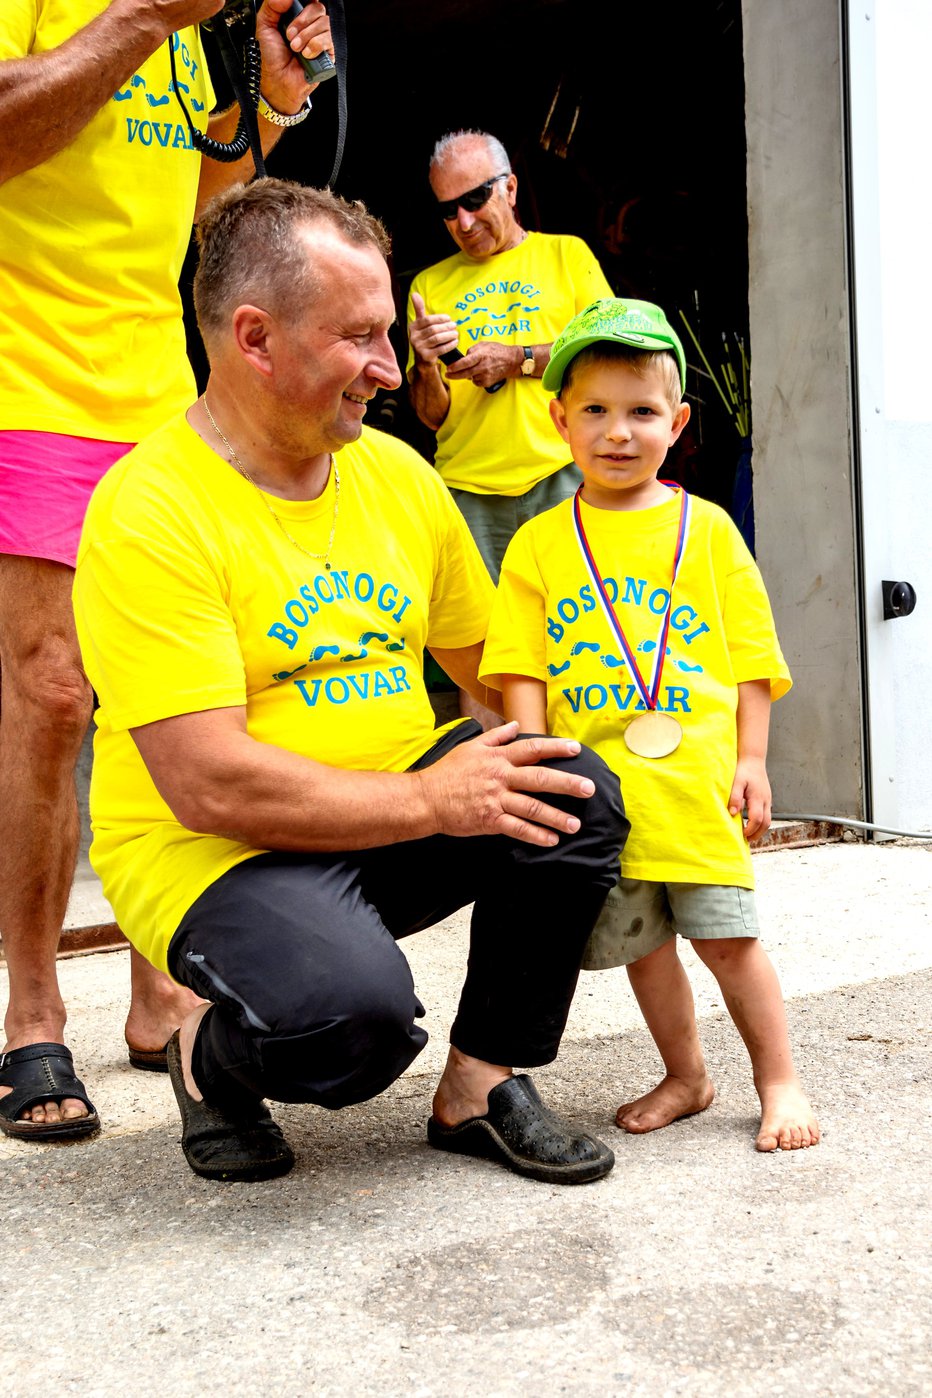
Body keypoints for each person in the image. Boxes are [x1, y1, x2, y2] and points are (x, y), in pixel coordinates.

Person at [71, 178, 627, 1185]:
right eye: (359, 337)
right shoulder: (149, 509)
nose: (388, 368)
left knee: (570, 788)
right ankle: (208, 1055)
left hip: (390, 815)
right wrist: (428, 798)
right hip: (217, 854)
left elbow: (495, 675)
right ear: (253, 339)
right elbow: (208, 784)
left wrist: (646, 771)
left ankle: (477, 1085)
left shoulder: (398, 478)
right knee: (351, 1025)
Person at [0, 0, 335, 1141]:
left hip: (151, 386)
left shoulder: (198, 28)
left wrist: (276, 91)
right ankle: (33, 1009)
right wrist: (145, 16)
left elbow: (200, 211)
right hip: (27, 373)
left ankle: (158, 995)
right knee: (54, 693)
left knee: (173, 689)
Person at [480, 298, 821, 1153]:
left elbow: (752, 656)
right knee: (645, 948)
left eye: (640, 412)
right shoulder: (539, 544)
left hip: (698, 788)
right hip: (605, 801)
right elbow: (519, 665)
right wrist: (533, 763)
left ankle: (778, 1081)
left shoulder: (706, 531)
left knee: (730, 943)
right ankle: (687, 1074)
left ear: (678, 421)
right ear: (559, 420)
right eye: (594, 410)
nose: (618, 432)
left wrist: (752, 759)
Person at [406, 129, 612, 723]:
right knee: (483, 648)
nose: (464, 222)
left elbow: (604, 354)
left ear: (511, 188)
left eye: (475, 201)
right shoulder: (429, 285)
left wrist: (517, 358)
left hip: (562, 474)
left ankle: (587, 775)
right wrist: (423, 362)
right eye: (448, 211)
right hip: (467, 490)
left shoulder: (565, 256)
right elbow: (431, 415)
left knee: (579, 628)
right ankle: (491, 794)